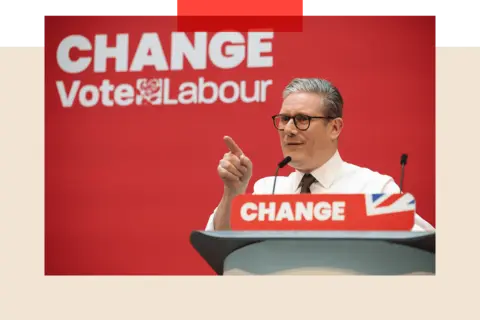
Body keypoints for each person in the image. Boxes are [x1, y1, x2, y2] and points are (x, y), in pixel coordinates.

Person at [205, 78, 434, 231]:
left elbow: (424, 250)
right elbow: (223, 243)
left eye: (302, 119)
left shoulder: (374, 188)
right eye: (284, 119)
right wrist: (233, 192)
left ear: (334, 127)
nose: (289, 129)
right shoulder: (267, 191)